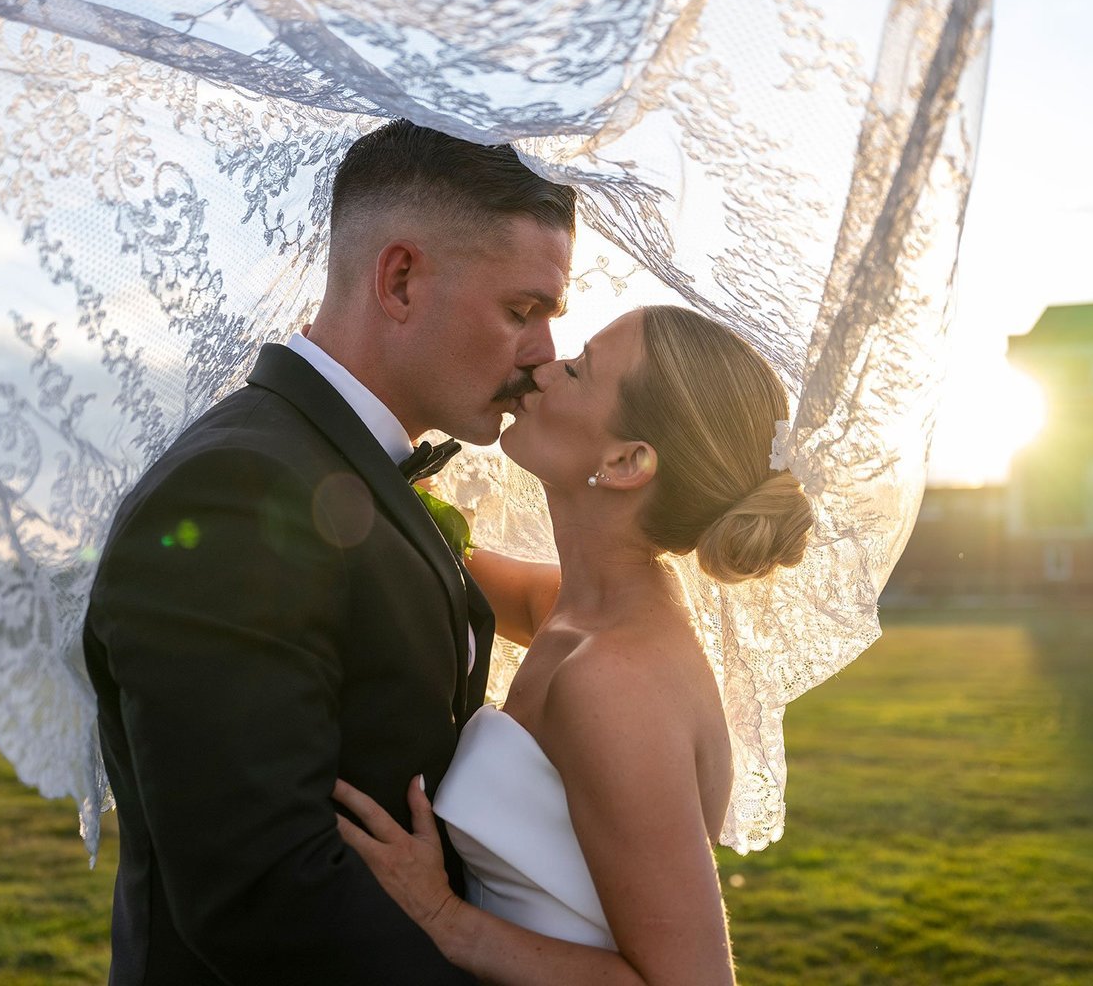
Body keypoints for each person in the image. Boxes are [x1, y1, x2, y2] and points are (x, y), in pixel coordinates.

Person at [81, 119, 576, 983]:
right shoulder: (238, 491)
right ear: (400, 279)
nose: (544, 357)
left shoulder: (345, 470)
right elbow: (265, 898)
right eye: (523, 311)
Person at [334, 304, 815, 985]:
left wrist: (445, 918)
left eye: (579, 368)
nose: (543, 366)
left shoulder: (614, 680)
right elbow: (445, 560)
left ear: (625, 462)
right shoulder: (583, 607)